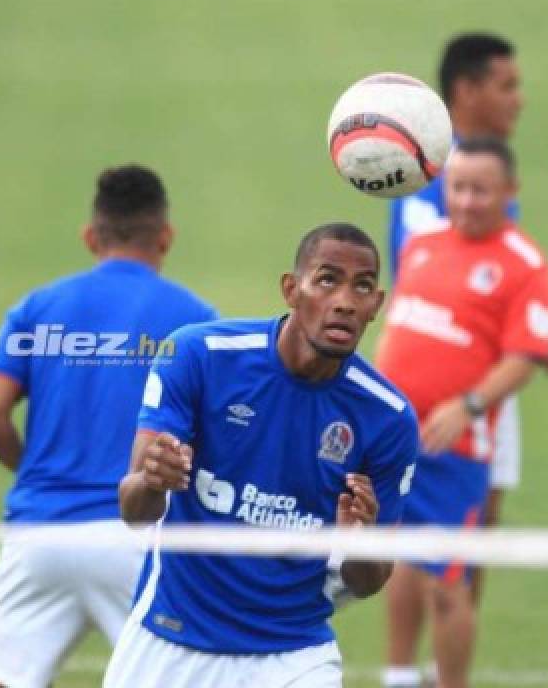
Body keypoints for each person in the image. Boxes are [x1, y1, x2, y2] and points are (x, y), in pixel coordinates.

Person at [102, 222, 419, 688]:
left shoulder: (388, 418)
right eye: (328, 279)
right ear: (292, 289)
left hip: (293, 655)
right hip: (169, 639)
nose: (345, 301)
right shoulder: (199, 356)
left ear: (377, 305)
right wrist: (151, 480)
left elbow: (368, 580)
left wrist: (360, 540)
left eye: (363, 286)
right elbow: (134, 511)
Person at [0, 165, 216, 688]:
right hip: (137, 539)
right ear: (165, 237)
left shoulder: (37, 307)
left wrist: (32, 469)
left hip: (39, 532)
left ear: (90, 237)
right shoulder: (194, 320)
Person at [378, 137, 548, 688]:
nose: (467, 201)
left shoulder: (524, 264)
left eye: (481, 190)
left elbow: (527, 355)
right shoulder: (423, 242)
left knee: (448, 583)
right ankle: (398, 676)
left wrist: (469, 405)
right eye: (457, 188)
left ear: (510, 191)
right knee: (394, 560)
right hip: (395, 438)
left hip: (455, 447)